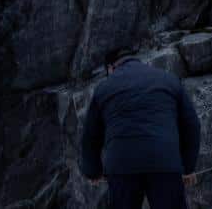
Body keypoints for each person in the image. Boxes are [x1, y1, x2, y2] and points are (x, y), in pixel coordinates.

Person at [80, 48, 201, 209]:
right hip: (164, 161)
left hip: (121, 165)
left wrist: (93, 171)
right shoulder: (169, 79)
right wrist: (188, 167)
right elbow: (191, 125)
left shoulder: (104, 88)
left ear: (111, 68)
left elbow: (90, 136)